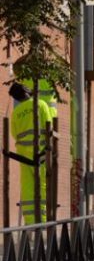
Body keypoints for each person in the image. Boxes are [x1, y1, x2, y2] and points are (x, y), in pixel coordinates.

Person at [7, 81, 55, 224]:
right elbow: (49, 127)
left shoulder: (15, 113)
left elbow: (14, 134)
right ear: (27, 91)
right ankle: (44, 221)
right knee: (43, 186)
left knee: (27, 188)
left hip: (23, 156)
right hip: (40, 154)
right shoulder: (40, 104)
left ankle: (31, 222)